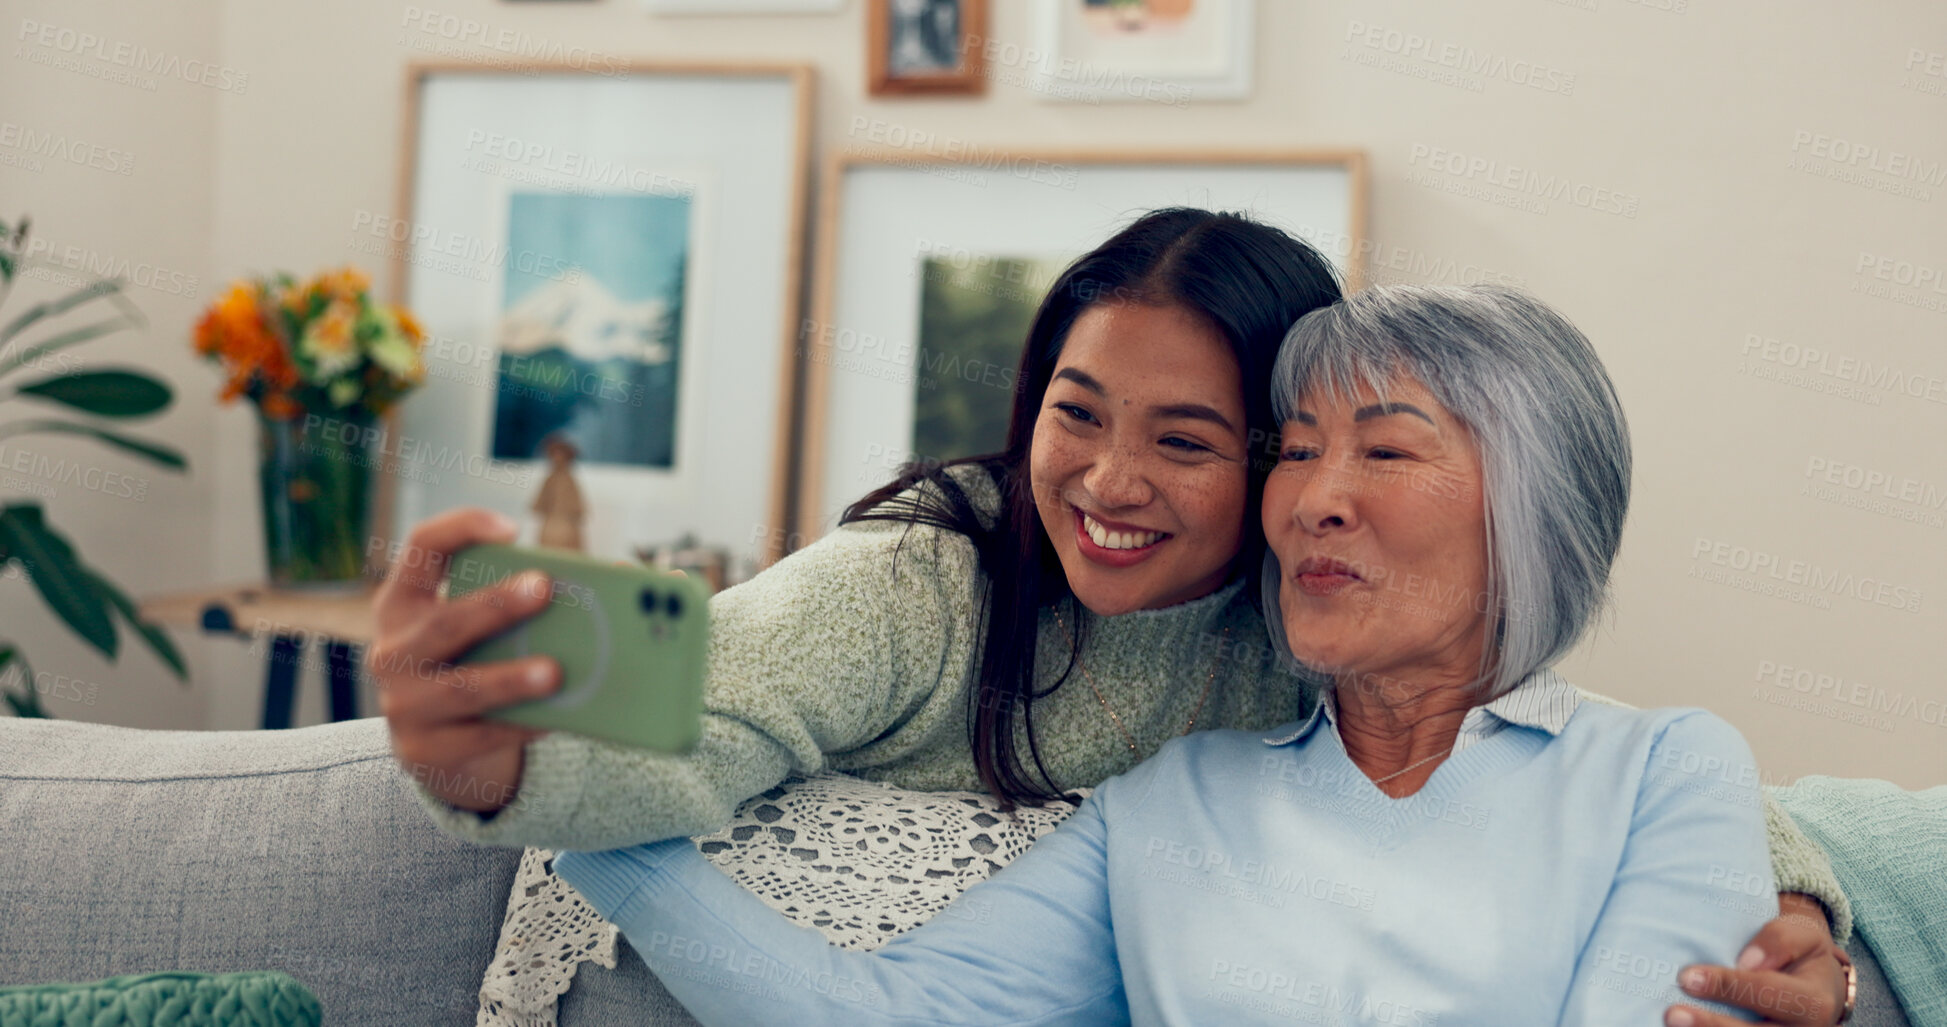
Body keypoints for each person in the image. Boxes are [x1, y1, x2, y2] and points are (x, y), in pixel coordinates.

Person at [372, 211, 1852, 1021]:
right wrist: (531, 780)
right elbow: (875, 992)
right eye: (1077, 416)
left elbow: (1672, 824)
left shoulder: (1637, 758)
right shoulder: (1120, 751)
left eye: (1383, 449)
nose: (1115, 481)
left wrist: (1795, 912)